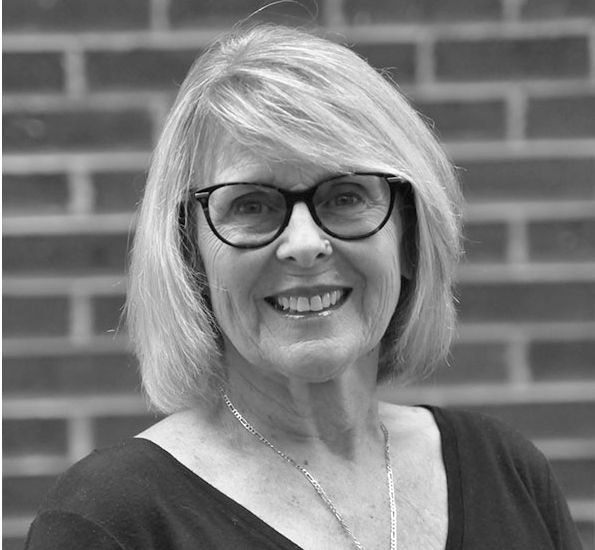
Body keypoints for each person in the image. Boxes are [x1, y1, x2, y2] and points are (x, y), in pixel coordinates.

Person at [25, 24, 582, 550]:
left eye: (344, 196)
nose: (304, 243)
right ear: (191, 255)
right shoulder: (113, 520)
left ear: (409, 236)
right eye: (251, 205)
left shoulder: (507, 471)